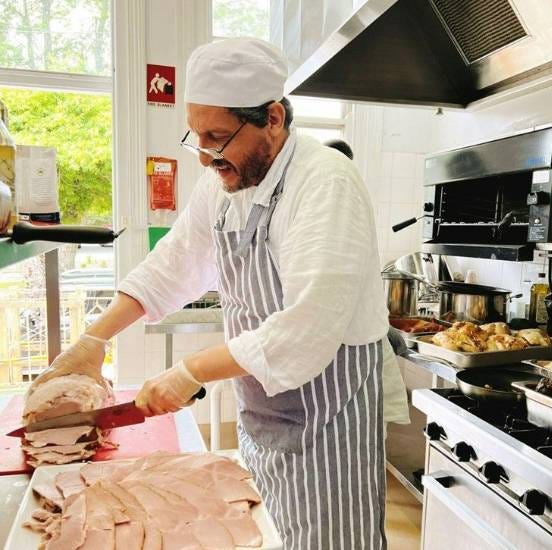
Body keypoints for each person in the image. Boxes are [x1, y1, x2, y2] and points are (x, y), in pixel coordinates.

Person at [30, 38, 397, 549]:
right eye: (197, 136)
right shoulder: (225, 182)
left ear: (272, 118)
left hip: (328, 420)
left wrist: (190, 372)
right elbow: (174, 264)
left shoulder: (324, 181)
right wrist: (95, 339)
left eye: (218, 138)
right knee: (275, 534)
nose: (205, 156)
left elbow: (307, 328)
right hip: (265, 410)